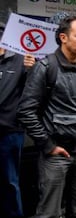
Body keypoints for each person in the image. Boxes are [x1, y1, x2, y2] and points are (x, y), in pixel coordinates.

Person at [17, 16, 76, 218]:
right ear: (63, 37)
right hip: (56, 156)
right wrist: (48, 146)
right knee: (49, 213)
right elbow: (26, 111)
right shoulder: (45, 67)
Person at [0, 21, 35, 218]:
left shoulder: (22, 60)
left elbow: (33, 92)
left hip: (10, 132)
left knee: (9, 182)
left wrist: (31, 70)